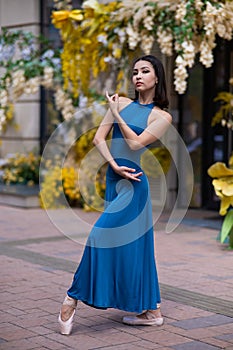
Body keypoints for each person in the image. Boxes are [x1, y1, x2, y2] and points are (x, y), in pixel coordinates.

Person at [58, 55, 172, 335]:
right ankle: (152, 312)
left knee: (102, 236)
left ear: (157, 77)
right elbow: (99, 138)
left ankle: (71, 298)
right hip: (116, 177)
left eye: (145, 71)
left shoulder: (162, 116)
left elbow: (134, 142)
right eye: (135, 72)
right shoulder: (119, 101)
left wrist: (115, 111)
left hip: (135, 184)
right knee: (130, 244)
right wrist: (113, 166)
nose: (138, 76)